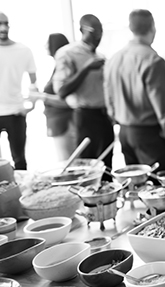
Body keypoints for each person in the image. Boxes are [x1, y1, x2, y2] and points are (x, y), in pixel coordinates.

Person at [104, 9, 165, 171]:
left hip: (125, 132)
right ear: (153, 28)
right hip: (149, 135)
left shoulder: (114, 59)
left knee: (136, 185)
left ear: (131, 28)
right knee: (159, 188)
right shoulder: (153, 61)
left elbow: (109, 100)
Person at [53, 14, 114, 172]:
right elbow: (61, 91)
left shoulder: (101, 57)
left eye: (100, 31)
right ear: (81, 30)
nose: (98, 36)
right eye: (93, 31)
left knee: (106, 165)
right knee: (87, 167)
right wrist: (86, 69)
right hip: (85, 117)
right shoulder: (68, 54)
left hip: (104, 117)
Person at [0, 11, 37, 170]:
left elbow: (33, 81)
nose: (3, 27)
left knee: (20, 159)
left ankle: (23, 193)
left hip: (16, 112)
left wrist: (31, 104)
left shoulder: (23, 50)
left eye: (5, 23)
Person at [43, 33, 76, 161]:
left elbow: (68, 101)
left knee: (68, 163)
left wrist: (43, 97)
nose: (45, 46)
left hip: (65, 122)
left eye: (48, 42)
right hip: (58, 124)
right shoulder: (57, 67)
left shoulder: (64, 68)